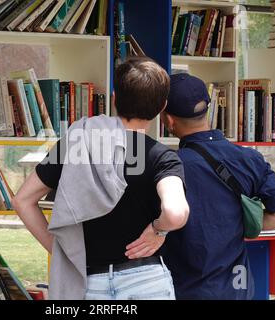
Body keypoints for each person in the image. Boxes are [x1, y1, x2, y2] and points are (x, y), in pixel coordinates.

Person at [12, 57, 189, 300]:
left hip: (89, 283)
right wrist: (158, 231)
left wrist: (63, 251)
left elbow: (22, 201)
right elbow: (176, 213)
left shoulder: (77, 145)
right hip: (146, 281)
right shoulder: (162, 157)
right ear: (162, 107)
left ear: (115, 98)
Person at [160, 73, 275, 300]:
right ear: (208, 108)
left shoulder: (168, 165)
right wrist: (234, 223)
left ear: (169, 120)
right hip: (237, 289)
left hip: (185, 289)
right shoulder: (248, 158)